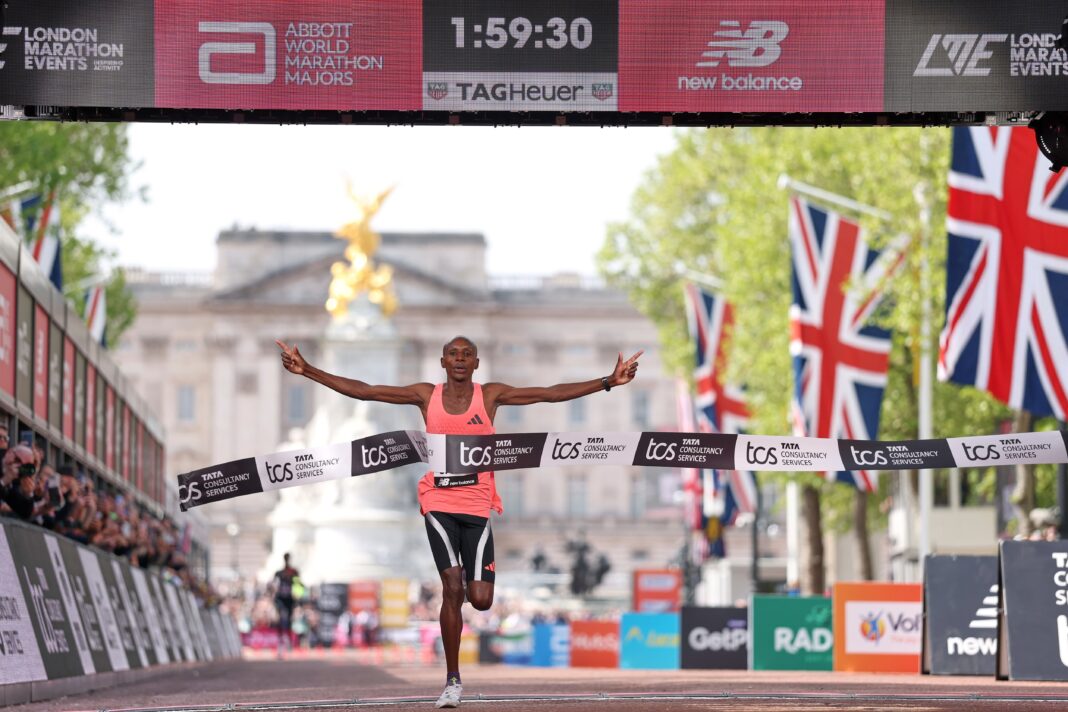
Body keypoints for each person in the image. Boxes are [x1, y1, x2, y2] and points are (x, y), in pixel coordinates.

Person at [276, 335, 641, 708]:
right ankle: (452, 680)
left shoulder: (492, 395)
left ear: (477, 363)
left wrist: (607, 381)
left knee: (480, 600)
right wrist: (308, 371)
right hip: (437, 501)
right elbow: (367, 391)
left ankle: (467, 588)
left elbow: (548, 393)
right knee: (452, 587)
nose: (461, 359)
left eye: (467, 355)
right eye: (454, 354)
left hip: (478, 505)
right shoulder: (425, 395)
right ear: (443, 361)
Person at [272, 552, 301, 658]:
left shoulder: (293, 572)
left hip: (290, 599)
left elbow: (299, 585)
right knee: (280, 619)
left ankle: (287, 639)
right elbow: (273, 585)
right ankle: (281, 641)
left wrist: (297, 597)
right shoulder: (279, 573)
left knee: (288, 619)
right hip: (280, 599)